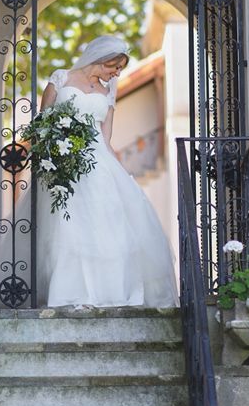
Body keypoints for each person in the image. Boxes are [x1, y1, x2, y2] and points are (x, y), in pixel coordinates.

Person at [35, 34, 177, 308]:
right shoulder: (60, 79)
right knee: (70, 226)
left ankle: (109, 292)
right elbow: (43, 123)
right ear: (102, 60)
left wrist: (121, 172)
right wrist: (54, 152)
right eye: (115, 66)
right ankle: (69, 291)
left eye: (120, 68)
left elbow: (106, 138)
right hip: (65, 164)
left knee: (107, 223)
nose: (117, 73)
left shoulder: (108, 91)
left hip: (98, 162)